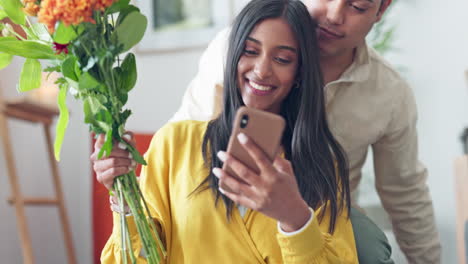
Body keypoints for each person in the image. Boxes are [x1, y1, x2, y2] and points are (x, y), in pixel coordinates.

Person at [170, 0, 442, 263]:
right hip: (223, 209)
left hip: (325, 215)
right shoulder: (236, 47)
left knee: (368, 244)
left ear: (381, 9)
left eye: (357, 6)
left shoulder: (389, 92)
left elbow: (405, 191)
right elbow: (180, 148)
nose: (335, 15)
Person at [92, 0, 359, 263]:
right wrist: (124, 197)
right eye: (250, 51)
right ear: (232, 56)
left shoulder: (321, 164)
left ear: (300, 72)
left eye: (282, 59)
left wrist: (295, 219)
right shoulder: (174, 143)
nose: (262, 70)